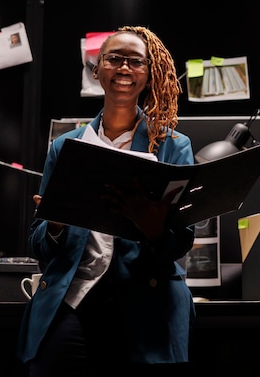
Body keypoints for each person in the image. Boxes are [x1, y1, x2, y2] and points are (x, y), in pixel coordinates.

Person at [17, 26, 196, 377]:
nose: (124, 68)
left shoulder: (173, 146)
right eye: (114, 59)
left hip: (147, 299)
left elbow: (182, 240)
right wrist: (54, 224)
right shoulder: (66, 146)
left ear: (149, 74)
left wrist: (154, 227)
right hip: (76, 296)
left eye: (135, 62)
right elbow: (39, 243)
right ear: (97, 70)